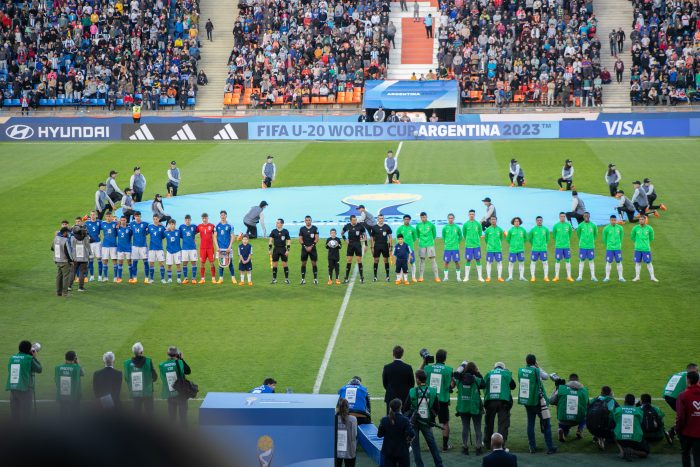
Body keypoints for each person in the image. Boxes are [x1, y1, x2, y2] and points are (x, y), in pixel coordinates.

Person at [518, 354, 556, 454]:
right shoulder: (536, 370)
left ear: (526, 361)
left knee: (530, 424)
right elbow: (546, 376)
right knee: (546, 424)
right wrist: (538, 367)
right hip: (539, 402)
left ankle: (532, 447)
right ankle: (550, 447)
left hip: (527, 401)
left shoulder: (521, 371)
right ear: (535, 362)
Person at [405, 369, 444, 467]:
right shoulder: (433, 391)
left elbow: (405, 407)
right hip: (427, 422)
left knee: (415, 446)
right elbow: (437, 408)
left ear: (418, 380)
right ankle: (439, 465)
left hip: (414, 422)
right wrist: (431, 418)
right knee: (432, 444)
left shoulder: (412, 391)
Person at [423, 349, 453, 452]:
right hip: (443, 400)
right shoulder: (448, 369)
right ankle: (445, 446)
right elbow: (451, 385)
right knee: (445, 423)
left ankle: (430, 446)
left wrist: (424, 361)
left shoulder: (427, 368)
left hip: (430, 399)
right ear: (445, 358)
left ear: (436, 357)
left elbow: (419, 373)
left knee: (429, 422)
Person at [5, 340, 42, 422]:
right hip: (25, 389)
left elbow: (9, 369)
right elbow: (39, 369)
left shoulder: (12, 357)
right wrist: (34, 357)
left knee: (15, 415)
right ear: (29, 350)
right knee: (26, 415)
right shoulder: (29, 358)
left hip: (13, 389)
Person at [455, 361, 485, 455]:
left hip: (463, 407)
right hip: (475, 407)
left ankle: (465, 447)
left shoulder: (459, 380)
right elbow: (483, 384)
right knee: (478, 428)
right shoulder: (476, 379)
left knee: (465, 427)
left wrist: (460, 369)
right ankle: (478, 447)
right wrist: (478, 372)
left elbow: (455, 376)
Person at [483, 362, 516, 445]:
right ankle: (500, 444)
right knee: (503, 424)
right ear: (503, 368)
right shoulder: (506, 373)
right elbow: (513, 386)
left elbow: (482, 385)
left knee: (489, 423)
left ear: (495, 367)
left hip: (490, 401)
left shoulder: (488, 373)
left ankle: (487, 442)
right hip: (503, 402)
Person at [664, 364, 699, 440]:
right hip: (676, 398)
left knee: (686, 415)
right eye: (697, 370)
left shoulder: (677, 374)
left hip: (667, 396)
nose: (698, 373)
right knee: (691, 415)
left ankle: (674, 431)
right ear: (693, 370)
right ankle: (674, 432)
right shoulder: (690, 377)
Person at [549, 373, 588, 442]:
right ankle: (580, 430)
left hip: (563, 419)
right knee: (586, 414)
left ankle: (561, 430)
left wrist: (556, 388)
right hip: (578, 419)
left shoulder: (561, 388)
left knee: (565, 429)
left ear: (568, 380)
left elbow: (551, 401)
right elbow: (587, 404)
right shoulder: (584, 390)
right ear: (578, 381)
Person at [159, 346, 191, 427]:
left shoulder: (162, 365)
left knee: (171, 419)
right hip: (181, 395)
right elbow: (188, 371)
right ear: (177, 354)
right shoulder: (180, 363)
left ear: (167, 354)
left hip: (170, 395)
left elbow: (163, 377)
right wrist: (181, 359)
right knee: (183, 419)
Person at [378, 398, 414, 467]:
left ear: (390, 407)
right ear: (400, 407)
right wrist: (408, 441)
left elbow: (379, 435)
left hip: (388, 451)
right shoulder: (405, 420)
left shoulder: (384, 420)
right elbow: (412, 434)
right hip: (402, 451)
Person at [124, 342, 157, 415]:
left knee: (137, 414)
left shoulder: (128, 363)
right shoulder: (148, 361)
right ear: (142, 351)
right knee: (150, 414)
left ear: (133, 352)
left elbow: (126, 378)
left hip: (136, 392)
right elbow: (154, 377)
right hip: (147, 392)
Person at [613, 394, 649, 461]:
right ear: (634, 402)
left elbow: (615, 421)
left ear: (625, 401)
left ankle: (622, 451)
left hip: (621, 439)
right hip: (635, 439)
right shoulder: (639, 411)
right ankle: (632, 451)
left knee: (615, 432)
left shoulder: (617, 410)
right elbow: (641, 423)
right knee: (645, 453)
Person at [675, 370, 700, 467]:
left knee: (685, 454)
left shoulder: (682, 396)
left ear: (687, 380)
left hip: (686, 432)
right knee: (698, 456)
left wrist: (677, 429)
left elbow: (680, 417)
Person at [382, 346, 415, 415]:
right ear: (402, 354)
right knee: (404, 417)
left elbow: (385, 383)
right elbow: (412, 384)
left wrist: (390, 389)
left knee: (390, 417)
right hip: (404, 397)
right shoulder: (408, 367)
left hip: (390, 396)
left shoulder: (387, 367)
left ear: (393, 354)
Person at [55, 350, 84, 416]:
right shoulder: (77, 367)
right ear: (74, 358)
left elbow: (56, 380)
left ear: (65, 358)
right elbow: (82, 374)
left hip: (62, 395)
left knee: (63, 413)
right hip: (75, 395)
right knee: (75, 414)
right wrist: (77, 363)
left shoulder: (57, 368)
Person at [631, 215, 658, 282]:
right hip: (637, 249)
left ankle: (652, 277)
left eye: (642, 219)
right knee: (637, 263)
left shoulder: (649, 228)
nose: (641, 221)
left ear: (645, 220)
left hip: (646, 249)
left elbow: (651, 238)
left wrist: (645, 243)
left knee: (649, 263)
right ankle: (637, 277)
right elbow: (632, 237)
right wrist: (638, 243)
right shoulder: (635, 228)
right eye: (640, 219)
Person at [416, 212, 440, 282]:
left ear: (427, 217)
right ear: (420, 218)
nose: (423, 218)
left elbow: (434, 235)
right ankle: (421, 277)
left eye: (424, 217)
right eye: (422, 217)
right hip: (422, 245)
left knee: (432, 260)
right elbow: (418, 235)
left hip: (430, 244)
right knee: (421, 260)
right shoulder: (418, 225)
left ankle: (437, 277)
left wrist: (430, 240)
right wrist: (422, 240)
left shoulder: (431, 225)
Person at [342, 215, 366, 283]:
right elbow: (342, 233)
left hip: (358, 244)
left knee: (359, 260)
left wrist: (364, 240)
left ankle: (362, 277)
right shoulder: (347, 226)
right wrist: (345, 239)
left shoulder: (360, 226)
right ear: (350, 220)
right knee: (349, 260)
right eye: (353, 220)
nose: (355, 221)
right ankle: (346, 278)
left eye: (355, 220)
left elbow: (364, 234)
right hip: (350, 245)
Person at [601, 215, 625, 282]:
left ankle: (621, 277)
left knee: (619, 261)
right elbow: (604, 238)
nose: (613, 222)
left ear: (616, 220)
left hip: (617, 248)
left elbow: (621, 237)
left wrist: (618, 244)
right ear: (610, 220)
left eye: (614, 220)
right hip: (610, 248)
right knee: (609, 262)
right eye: (612, 220)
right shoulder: (606, 228)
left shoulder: (620, 228)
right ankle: (607, 277)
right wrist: (608, 244)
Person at [462, 210, 484, 282]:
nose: (471, 215)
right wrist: (468, 240)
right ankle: (466, 277)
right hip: (468, 245)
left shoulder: (478, 224)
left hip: (477, 245)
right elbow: (464, 234)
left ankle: (480, 277)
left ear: (474, 215)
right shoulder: (465, 224)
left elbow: (480, 234)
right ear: (468, 215)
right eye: (470, 214)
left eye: (473, 214)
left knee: (478, 259)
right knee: (468, 260)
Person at [215, 210, 236, 284]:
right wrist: (217, 247)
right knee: (220, 264)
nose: (223, 216)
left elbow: (233, 237)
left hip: (228, 248)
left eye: (224, 215)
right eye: (221, 215)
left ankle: (233, 278)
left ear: (226, 216)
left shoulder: (230, 225)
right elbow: (214, 236)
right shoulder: (217, 225)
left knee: (230, 263)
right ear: (220, 216)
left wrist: (230, 247)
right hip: (220, 248)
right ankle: (221, 279)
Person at [336, 398, 358, 466]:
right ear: (348, 407)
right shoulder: (353, 419)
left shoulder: (333, 419)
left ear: (337, 407)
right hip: (350, 451)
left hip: (336, 452)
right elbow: (355, 435)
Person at [70, 219, 91, 292]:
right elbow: (88, 246)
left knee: (73, 272)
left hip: (75, 257)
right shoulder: (85, 238)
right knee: (82, 272)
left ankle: (69, 286)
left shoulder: (73, 238)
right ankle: (80, 287)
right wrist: (90, 254)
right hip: (84, 257)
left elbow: (71, 246)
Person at [576, 212, 597, 282]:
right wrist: (583, 241)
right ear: (583, 217)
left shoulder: (593, 225)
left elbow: (595, 235)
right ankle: (580, 276)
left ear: (589, 216)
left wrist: (591, 241)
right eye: (585, 216)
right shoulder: (580, 225)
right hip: (583, 246)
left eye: (587, 216)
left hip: (590, 246)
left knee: (591, 260)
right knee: (581, 260)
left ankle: (593, 276)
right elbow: (578, 234)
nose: (586, 217)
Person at [395, 215, 418, 282]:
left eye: (408, 219)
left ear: (410, 220)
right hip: (401, 250)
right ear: (403, 220)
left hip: (410, 249)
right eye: (405, 219)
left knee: (412, 263)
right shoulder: (400, 228)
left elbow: (414, 238)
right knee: (402, 263)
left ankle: (413, 277)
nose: (406, 220)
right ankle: (401, 277)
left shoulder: (412, 229)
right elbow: (397, 238)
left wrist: (409, 244)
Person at [52, 227, 74, 296]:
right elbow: (68, 252)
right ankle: (65, 293)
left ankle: (58, 292)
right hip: (64, 261)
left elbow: (52, 248)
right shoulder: (65, 240)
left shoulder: (55, 238)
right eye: (67, 232)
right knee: (66, 277)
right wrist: (71, 260)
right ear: (64, 233)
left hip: (57, 260)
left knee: (59, 276)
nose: (68, 234)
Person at [371, 214, 392, 282]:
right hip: (377, 246)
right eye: (380, 218)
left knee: (386, 260)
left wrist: (390, 246)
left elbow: (390, 237)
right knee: (376, 260)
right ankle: (375, 276)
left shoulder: (387, 227)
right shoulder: (374, 227)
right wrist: (372, 247)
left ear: (383, 219)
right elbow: (372, 238)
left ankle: (387, 276)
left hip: (385, 246)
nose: (381, 219)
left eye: (382, 218)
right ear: (377, 219)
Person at [269, 218, 291, 284]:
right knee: (275, 265)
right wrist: (270, 249)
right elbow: (270, 241)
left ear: (281, 224)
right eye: (276, 222)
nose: (276, 224)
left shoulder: (285, 231)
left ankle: (286, 279)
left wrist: (288, 250)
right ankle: (274, 279)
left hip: (283, 249)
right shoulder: (273, 231)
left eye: (278, 223)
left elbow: (288, 241)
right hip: (276, 249)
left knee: (285, 264)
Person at [197, 213, 217, 283]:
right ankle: (202, 279)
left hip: (210, 248)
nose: (204, 219)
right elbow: (192, 232)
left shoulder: (212, 226)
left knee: (212, 262)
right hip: (202, 248)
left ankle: (213, 278)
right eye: (203, 218)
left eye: (205, 218)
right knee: (202, 263)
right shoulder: (199, 226)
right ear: (202, 219)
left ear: (208, 218)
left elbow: (217, 233)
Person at [130, 212, 150, 283]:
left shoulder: (145, 224)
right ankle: (135, 278)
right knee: (134, 262)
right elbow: (125, 226)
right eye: (136, 216)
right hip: (135, 246)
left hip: (143, 246)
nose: (137, 217)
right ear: (134, 217)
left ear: (140, 216)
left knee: (145, 262)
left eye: (138, 216)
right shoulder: (132, 224)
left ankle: (146, 278)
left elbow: (151, 227)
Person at [528, 216, 550, 282]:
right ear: (536, 221)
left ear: (542, 221)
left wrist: (544, 245)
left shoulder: (545, 229)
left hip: (543, 249)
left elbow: (547, 239)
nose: (539, 221)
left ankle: (546, 277)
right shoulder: (533, 230)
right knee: (533, 262)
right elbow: (530, 239)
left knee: (545, 263)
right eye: (538, 220)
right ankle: (533, 277)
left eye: (540, 220)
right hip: (535, 249)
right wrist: (534, 245)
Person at [441, 214, 462, 281]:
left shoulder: (457, 227)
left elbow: (460, 236)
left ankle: (458, 277)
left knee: (456, 261)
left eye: (452, 218)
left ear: (454, 219)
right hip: (447, 248)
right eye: (449, 218)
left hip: (455, 248)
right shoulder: (445, 227)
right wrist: (446, 242)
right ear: (448, 218)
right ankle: (446, 277)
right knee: (446, 262)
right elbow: (443, 236)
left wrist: (457, 242)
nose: (451, 219)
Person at [299, 215, 319, 284]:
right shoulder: (302, 229)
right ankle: (303, 279)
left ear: (311, 220)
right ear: (305, 221)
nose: (308, 221)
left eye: (309, 220)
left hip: (312, 249)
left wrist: (311, 246)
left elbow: (317, 238)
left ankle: (315, 279)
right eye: (306, 220)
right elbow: (300, 239)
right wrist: (305, 246)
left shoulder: (315, 228)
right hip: (304, 249)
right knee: (303, 263)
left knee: (314, 263)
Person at [483, 217, 504, 282]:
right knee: (489, 263)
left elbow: (501, 238)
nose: (493, 221)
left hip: (498, 249)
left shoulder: (500, 229)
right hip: (490, 249)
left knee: (499, 262)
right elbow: (486, 239)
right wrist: (490, 245)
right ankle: (488, 277)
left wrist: (498, 245)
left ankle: (499, 277)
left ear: (496, 220)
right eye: (492, 220)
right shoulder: (488, 230)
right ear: (490, 221)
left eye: (494, 219)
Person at [147, 215, 167, 284]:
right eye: (154, 219)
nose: (155, 220)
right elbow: (145, 233)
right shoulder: (150, 226)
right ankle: (151, 279)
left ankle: (162, 279)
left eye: (157, 219)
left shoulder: (162, 227)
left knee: (161, 263)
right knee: (151, 264)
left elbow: (164, 236)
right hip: (152, 248)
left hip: (159, 248)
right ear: (153, 220)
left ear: (159, 219)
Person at [505, 217, 526, 282]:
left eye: (518, 221)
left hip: (520, 249)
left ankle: (521, 277)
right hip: (513, 250)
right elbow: (508, 239)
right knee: (511, 263)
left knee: (521, 263)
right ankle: (510, 277)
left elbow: (525, 238)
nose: (516, 222)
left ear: (519, 222)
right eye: (515, 221)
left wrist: (521, 243)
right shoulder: (511, 230)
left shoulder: (523, 230)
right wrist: (512, 244)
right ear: (513, 222)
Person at [178, 215, 198, 284]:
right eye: (186, 220)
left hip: (192, 248)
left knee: (194, 262)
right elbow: (179, 235)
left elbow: (198, 230)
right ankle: (186, 278)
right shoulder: (181, 227)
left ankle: (193, 278)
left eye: (189, 219)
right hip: (184, 248)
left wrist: (193, 239)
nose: (187, 221)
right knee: (185, 263)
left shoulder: (194, 226)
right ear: (184, 220)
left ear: (190, 220)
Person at [85, 211, 103, 282]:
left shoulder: (99, 222)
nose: (93, 216)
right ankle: (92, 276)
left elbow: (105, 227)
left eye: (94, 215)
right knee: (91, 260)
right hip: (90, 244)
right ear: (90, 215)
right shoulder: (87, 223)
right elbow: (83, 230)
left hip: (98, 243)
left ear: (96, 215)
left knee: (99, 259)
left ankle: (100, 276)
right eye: (91, 215)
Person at [100, 213, 118, 282]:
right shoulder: (102, 223)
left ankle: (115, 277)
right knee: (105, 260)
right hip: (105, 245)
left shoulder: (115, 223)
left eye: (109, 216)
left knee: (114, 261)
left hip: (113, 245)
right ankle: (105, 277)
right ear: (105, 217)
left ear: (112, 217)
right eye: (107, 216)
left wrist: (117, 221)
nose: (108, 218)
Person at [116, 216, 133, 283]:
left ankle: (131, 277)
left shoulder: (129, 228)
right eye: (122, 220)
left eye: (124, 220)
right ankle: (119, 277)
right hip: (120, 248)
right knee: (120, 263)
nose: (123, 221)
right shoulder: (117, 228)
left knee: (129, 262)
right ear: (120, 221)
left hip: (128, 248)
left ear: (126, 220)